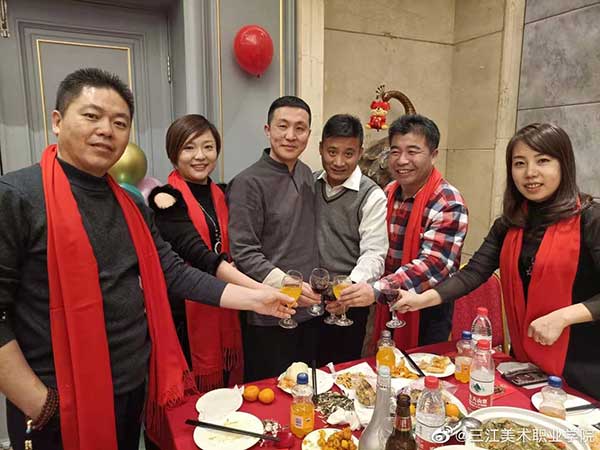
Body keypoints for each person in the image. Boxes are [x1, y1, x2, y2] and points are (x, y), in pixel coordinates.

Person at [0, 68, 294, 450]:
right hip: (59, 398)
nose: (106, 130)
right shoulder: (18, 195)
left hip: (130, 385)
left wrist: (257, 299)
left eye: (119, 122)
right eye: (91, 116)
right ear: (57, 121)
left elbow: (173, 271)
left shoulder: (130, 203)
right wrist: (40, 404)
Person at [395, 123, 600, 400]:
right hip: (529, 363)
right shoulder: (510, 224)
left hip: (586, 367)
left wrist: (565, 316)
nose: (530, 173)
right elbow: (473, 273)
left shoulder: (590, 219)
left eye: (542, 161)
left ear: (564, 164)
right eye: (520, 163)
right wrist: (422, 299)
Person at [148, 114, 271, 391]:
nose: (200, 156)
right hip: (186, 312)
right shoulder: (165, 198)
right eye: (189, 148)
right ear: (173, 153)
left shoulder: (224, 193)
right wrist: (261, 291)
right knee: (194, 396)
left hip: (229, 304)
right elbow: (199, 254)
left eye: (208, 147)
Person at [332, 114, 468, 350]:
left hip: (425, 308)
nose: (402, 160)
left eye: (413, 151)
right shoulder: (388, 192)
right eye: (395, 152)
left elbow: (433, 264)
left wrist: (378, 290)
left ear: (433, 154)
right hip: (385, 303)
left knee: (418, 368)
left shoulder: (448, 202)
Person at [228, 96, 321, 381]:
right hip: (269, 311)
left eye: (300, 128)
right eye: (283, 126)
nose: (291, 135)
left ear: (308, 134)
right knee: (271, 390)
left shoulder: (306, 174)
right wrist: (286, 284)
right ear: (268, 130)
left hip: (310, 308)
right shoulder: (247, 182)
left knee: (308, 388)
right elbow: (244, 251)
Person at [314, 114, 388, 365]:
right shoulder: (309, 183)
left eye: (348, 153)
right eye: (332, 152)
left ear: (360, 152)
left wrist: (347, 290)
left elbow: (374, 252)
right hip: (309, 298)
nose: (338, 161)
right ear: (321, 148)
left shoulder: (371, 195)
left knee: (341, 370)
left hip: (348, 304)